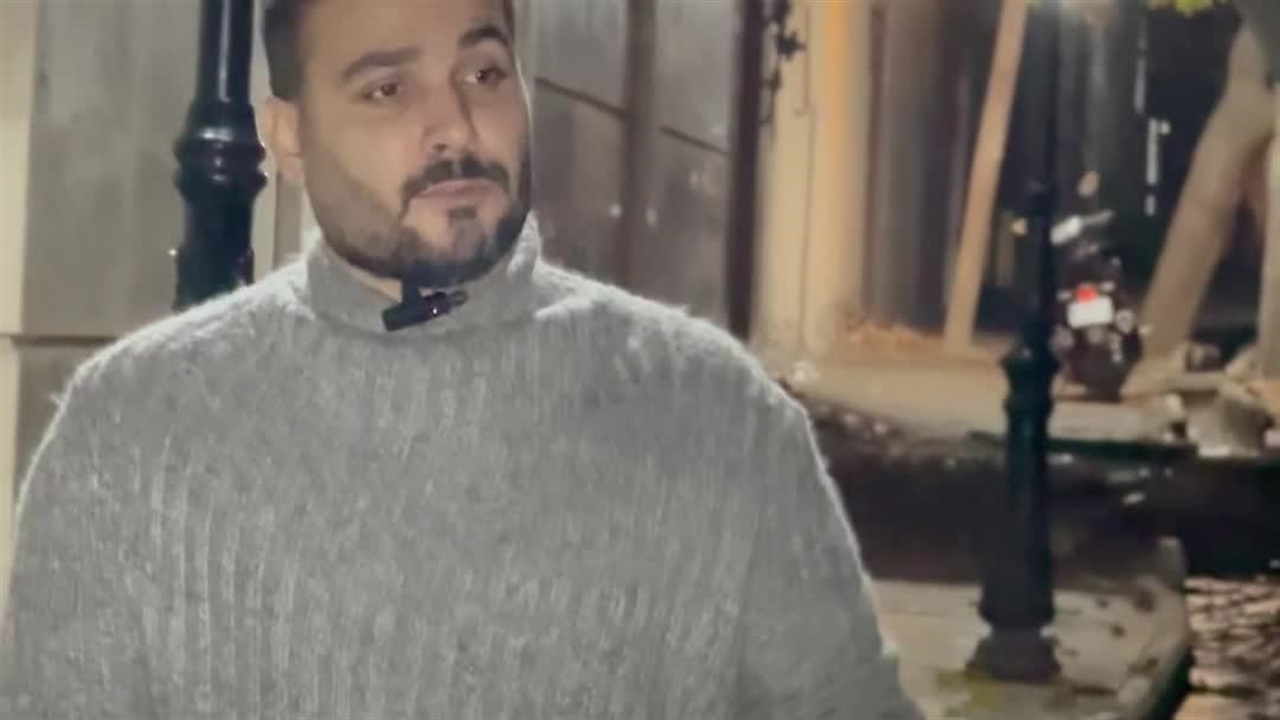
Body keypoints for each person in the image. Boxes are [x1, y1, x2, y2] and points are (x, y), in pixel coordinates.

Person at [0, 1, 922, 718]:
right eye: (386, 90)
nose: (455, 126)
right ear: (288, 137)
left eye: (483, 72)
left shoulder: (718, 417)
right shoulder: (132, 434)